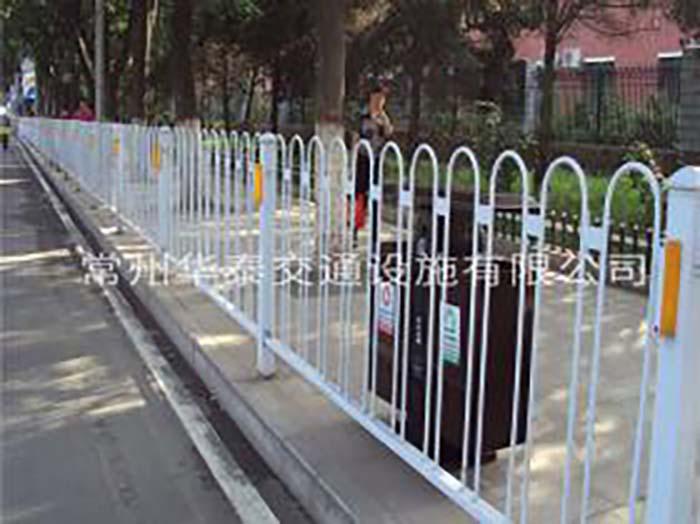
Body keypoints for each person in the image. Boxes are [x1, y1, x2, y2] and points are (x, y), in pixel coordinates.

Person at [354, 77, 393, 235]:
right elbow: (356, 136)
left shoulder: (384, 118)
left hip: (377, 159)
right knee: (360, 193)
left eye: (382, 99)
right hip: (363, 158)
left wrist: (382, 119)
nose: (379, 102)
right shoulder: (363, 116)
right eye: (376, 98)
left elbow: (389, 133)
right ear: (371, 98)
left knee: (375, 193)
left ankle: (375, 230)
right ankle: (356, 227)